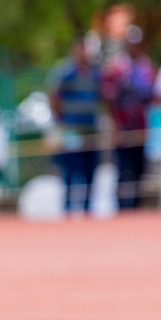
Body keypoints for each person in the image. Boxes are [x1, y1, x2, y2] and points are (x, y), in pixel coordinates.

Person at [48, 37, 105, 214]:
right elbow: (54, 97)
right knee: (71, 169)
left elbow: (102, 97)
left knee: (91, 170)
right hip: (72, 130)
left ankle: (88, 208)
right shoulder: (65, 73)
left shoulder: (95, 73)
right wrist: (63, 121)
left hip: (91, 129)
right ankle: (68, 208)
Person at [104, 39, 154, 210]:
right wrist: (115, 126)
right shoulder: (117, 67)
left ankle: (136, 206)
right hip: (123, 127)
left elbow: (151, 95)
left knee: (139, 168)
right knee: (124, 169)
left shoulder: (145, 67)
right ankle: (122, 206)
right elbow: (110, 99)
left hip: (140, 126)